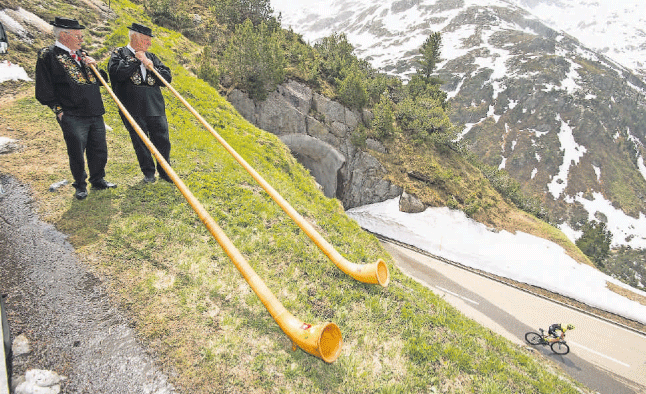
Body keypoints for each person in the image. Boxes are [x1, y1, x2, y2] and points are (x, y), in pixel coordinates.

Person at [35, 17, 116, 200]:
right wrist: (58, 110)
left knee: (99, 149)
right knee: (77, 151)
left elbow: (100, 80)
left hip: (94, 111)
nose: (81, 40)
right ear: (64, 35)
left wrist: (94, 66)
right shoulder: (48, 55)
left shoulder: (82, 53)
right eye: (78, 36)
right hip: (71, 113)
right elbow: (43, 88)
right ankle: (80, 184)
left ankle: (98, 179)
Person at [108, 22, 172, 184]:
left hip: (155, 105)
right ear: (135, 38)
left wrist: (151, 67)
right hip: (132, 107)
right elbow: (117, 74)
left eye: (149, 40)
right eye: (146, 40)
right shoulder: (119, 54)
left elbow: (167, 79)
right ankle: (148, 172)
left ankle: (165, 171)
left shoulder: (151, 57)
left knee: (162, 139)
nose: (149, 43)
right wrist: (136, 60)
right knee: (140, 140)